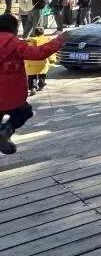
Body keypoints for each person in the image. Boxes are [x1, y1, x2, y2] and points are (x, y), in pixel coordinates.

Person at [0, 14, 65, 154]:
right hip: (11, 96)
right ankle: (5, 131)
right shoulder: (15, 44)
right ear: (14, 28)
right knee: (25, 112)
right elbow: (38, 53)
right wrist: (58, 42)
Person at [24, 27, 55, 95]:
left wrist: (24, 61)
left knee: (32, 75)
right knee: (42, 73)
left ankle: (33, 87)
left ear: (34, 33)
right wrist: (52, 59)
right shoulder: (46, 40)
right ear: (43, 33)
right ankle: (41, 83)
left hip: (31, 62)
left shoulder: (29, 41)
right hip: (42, 61)